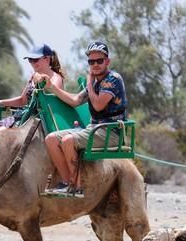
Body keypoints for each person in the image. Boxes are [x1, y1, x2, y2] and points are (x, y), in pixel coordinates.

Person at [42, 41, 127, 196]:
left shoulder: (112, 79)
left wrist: (89, 83)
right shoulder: (96, 83)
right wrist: (52, 88)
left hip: (110, 132)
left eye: (99, 61)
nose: (95, 65)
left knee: (68, 140)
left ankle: (76, 186)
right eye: (91, 61)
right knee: (51, 139)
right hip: (95, 130)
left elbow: (99, 105)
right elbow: (75, 101)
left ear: (107, 61)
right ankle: (66, 183)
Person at [0, 43, 65, 148]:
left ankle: (0, 164)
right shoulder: (32, 77)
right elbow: (22, 100)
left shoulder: (55, 78)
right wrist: (1, 102)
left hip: (40, 119)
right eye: (30, 60)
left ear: (47, 59)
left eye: (36, 60)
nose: (33, 63)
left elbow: (50, 97)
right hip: (23, 116)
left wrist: (41, 81)